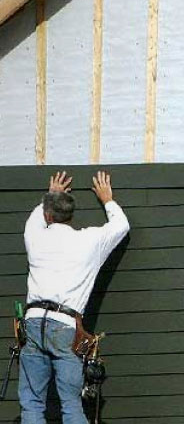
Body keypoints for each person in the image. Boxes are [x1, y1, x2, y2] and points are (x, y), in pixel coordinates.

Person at [19, 170, 130, 424]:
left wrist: (52, 194)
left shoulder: (35, 236)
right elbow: (121, 226)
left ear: (49, 214)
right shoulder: (88, 241)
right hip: (66, 326)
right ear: (71, 215)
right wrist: (107, 200)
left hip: (34, 322)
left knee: (32, 404)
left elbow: (36, 218)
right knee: (71, 405)